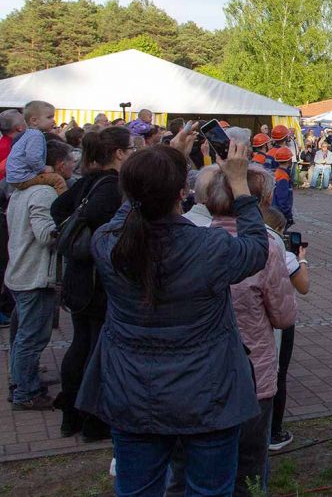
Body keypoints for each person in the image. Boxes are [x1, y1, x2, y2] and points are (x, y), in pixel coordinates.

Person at [76, 135, 271, 497]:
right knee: (209, 490)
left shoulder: (107, 242)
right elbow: (258, 249)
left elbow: (129, 210)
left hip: (131, 389)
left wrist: (162, 164)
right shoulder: (209, 247)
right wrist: (241, 185)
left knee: (136, 490)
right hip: (208, 393)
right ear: (183, 192)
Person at [207, 166, 296, 496]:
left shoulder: (193, 234)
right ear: (264, 199)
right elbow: (285, 315)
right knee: (249, 465)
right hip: (252, 373)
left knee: (199, 463)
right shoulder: (268, 245)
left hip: (200, 373)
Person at [50, 127, 131, 439]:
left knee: (81, 344)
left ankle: (72, 416)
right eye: (130, 147)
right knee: (97, 349)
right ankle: (92, 421)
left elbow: (59, 209)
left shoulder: (86, 182)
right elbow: (98, 216)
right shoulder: (111, 187)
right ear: (119, 153)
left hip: (81, 277)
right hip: (98, 280)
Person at [6, 139, 74, 410]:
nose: (73, 165)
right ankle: (26, 392)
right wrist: (72, 221)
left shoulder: (22, 191)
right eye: (70, 160)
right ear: (59, 164)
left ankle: (22, 380)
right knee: (31, 338)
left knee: (21, 335)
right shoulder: (44, 192)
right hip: (34, 275)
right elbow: (46, 234)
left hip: (20, 272)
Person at [262, 206, 309, 452]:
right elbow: (303, 285)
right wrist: (301, 258)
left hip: (249, 322)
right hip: (277, 321)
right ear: (279, 230)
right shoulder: (281, 252)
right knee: (277, 373)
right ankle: (273, 432)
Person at [5, 100, 67, 195]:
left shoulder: (28, 134)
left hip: (15, 176)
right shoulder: (36, 135)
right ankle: (61, 205)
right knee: (58, 180)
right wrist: (43, 169)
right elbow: (33, 158)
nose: (53, 120)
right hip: (23, 177)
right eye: (49, 117)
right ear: (34, 121)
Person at [270, 147, 294, 228]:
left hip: (274, 209)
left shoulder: (277, 172)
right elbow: (282, 199)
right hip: (280, 212)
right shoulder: (283, 176)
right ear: (289, 160)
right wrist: (288, 215)